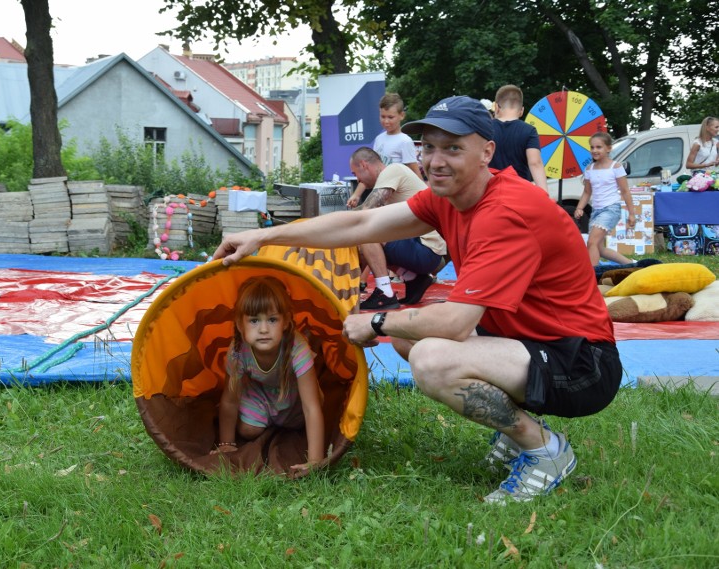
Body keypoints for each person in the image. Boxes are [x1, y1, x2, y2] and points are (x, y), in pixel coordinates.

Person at [214, 96, 623, 504]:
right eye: (429, 147)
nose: (436, 160)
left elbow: (456, 323)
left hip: (581, 363)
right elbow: (362, 222)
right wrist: (264, 236)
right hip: (532, 343)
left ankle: (543, 449)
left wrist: (375, 321)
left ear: (487, 152)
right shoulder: (449, 196)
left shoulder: (505, 211)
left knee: (431, 358)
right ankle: (518, 435)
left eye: (453, 148)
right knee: (414, 338)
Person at [211, 276, 324, 475]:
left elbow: (310, 406)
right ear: (239, 324)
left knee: (306, 418)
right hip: (260, 393)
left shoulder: (298, 347)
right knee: (247, 431)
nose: (263, 329)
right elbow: (230, 400)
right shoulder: (238, 351)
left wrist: (315, 460)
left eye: (272, 320)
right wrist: (226, 443)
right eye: (254, 321)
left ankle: (281, 420)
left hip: (294, 395)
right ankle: (267, 418)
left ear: (286, 321)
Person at [348, 147, 446, 310]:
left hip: (426, 251)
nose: (358, 180)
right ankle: (413, 278)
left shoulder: (392, 170)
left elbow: (366, 213)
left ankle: (384, 292)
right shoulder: (392, 181)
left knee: (365, 233)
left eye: (355, 173)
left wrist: (330, 222)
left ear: (364, 165)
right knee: (366, 240)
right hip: (429, 251)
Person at [347, 93, 423, 209]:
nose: (386, 121)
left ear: (402, 115)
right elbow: (368, 170)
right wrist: (356, 195)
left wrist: (424, 198)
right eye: (383, 116)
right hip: (383, 194)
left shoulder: (405, 141)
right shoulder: (379, 139)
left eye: (390, 117)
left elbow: (415, 172)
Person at [574, 132, 637, 267]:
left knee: (591, 242)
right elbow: (587, 192)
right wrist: (579, 207)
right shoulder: (590, 169)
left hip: (611, 209)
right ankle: (632, 265)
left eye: (598, 147)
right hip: (596, 211)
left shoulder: (615, 167)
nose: (594, 150)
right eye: (592, 147)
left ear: (609, 148)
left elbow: (625, 191)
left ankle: (593, 275)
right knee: (599, 248)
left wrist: (631, 214)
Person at [489, 85, 548, 188]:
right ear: (521, 110)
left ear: (497, 107)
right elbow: (535, 163)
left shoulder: (485, 128)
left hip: (490, 191)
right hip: (519, 192)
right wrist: (545, 195)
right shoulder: (529, 131)